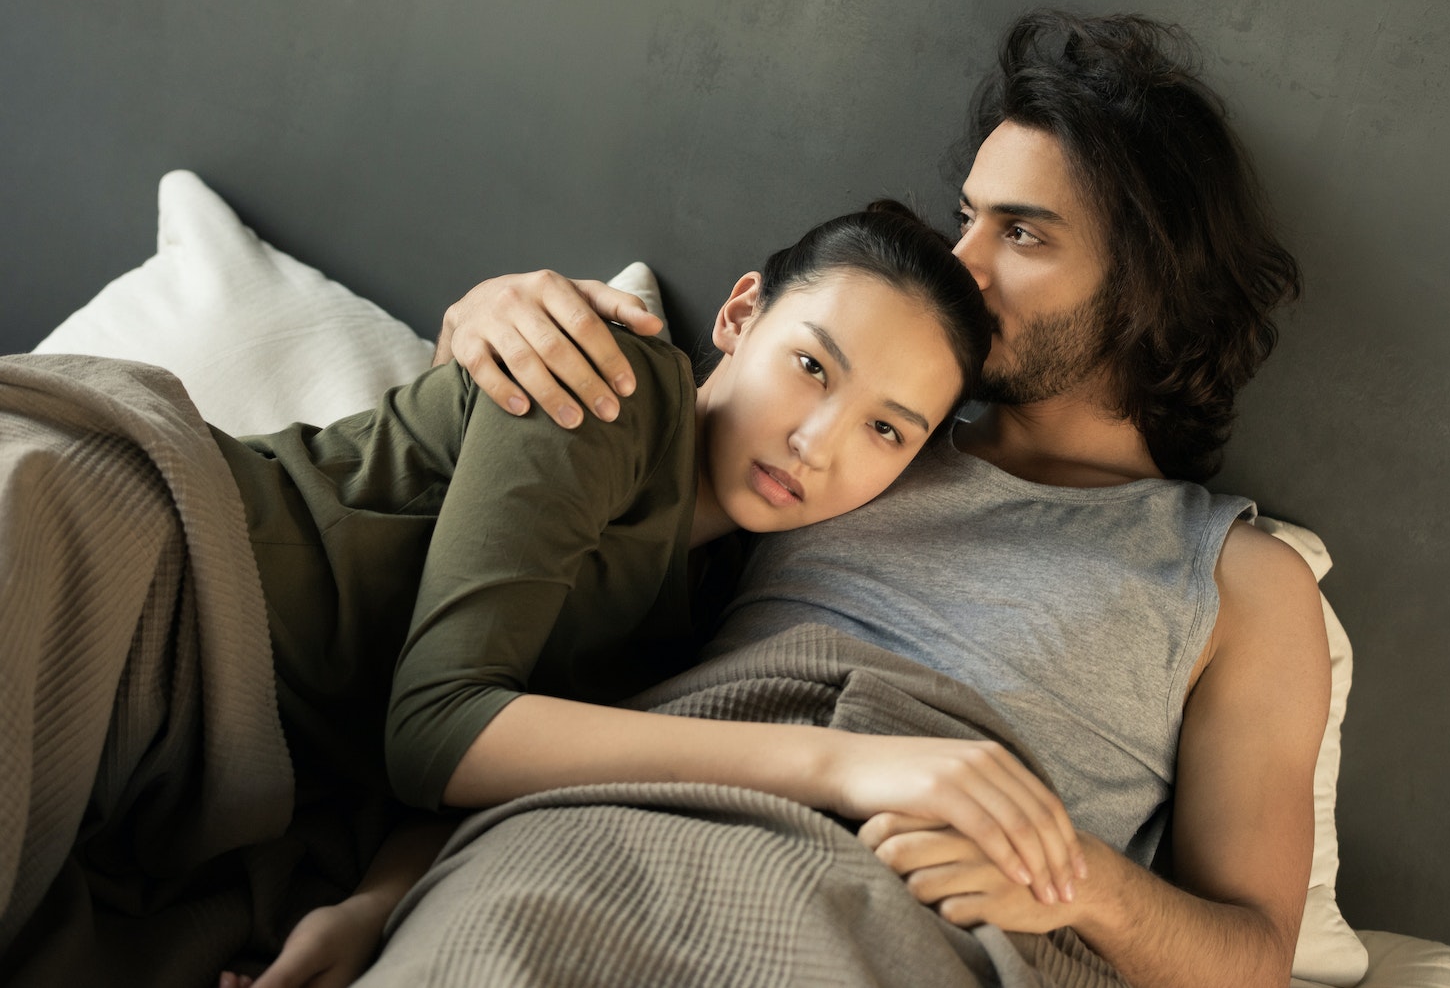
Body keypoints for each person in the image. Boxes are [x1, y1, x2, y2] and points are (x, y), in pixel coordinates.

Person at [431, 10, 1331, 988]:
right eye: (966, 219)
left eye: (1021, 232)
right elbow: (554, 528)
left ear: (1149, 283)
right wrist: (494, 318)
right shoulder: (845, 435)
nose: (962, 264)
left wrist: (1083, 886)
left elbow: (1252, 964)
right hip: (633, 819)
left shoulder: (1241, 583)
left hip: (914, 915)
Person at [3, 205, 1087, 988]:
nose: (819, 444)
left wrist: (379, 902)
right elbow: (441, 727)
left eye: (886, 430)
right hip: (131, 559)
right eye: (813, 366)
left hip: (202, 772)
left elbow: (481, 766)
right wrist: (842, 760)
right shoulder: (605, 377)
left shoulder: (701, 616)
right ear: (742, 315)